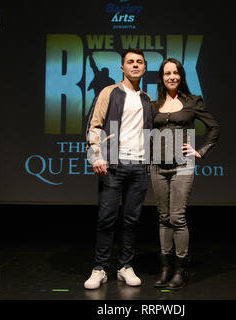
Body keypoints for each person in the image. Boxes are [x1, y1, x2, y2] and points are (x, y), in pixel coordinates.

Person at [84, 48, 153, 290]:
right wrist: (96, 157)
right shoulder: (110, 92)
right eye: (130, 62)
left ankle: (125, 266)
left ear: (144, 68)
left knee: (132, 220)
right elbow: (94, 124)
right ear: (122, 67)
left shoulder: (147, 99)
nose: (135, 65)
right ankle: (100, 269)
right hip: (113, 165)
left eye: (139, 62)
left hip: (139, 167)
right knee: (106, 219)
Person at [150, 58, 220, 290]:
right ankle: (165, 267)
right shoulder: (153, 104)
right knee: (163, 217)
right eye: (167, 73)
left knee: (177, 218)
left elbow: (214, 127)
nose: (171, 76)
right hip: (157, 166)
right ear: (161, 77)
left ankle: (181, 270)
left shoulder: (192, 101)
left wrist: (200, 151)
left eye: (175, 73)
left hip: (183, 166)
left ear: (181, 76)